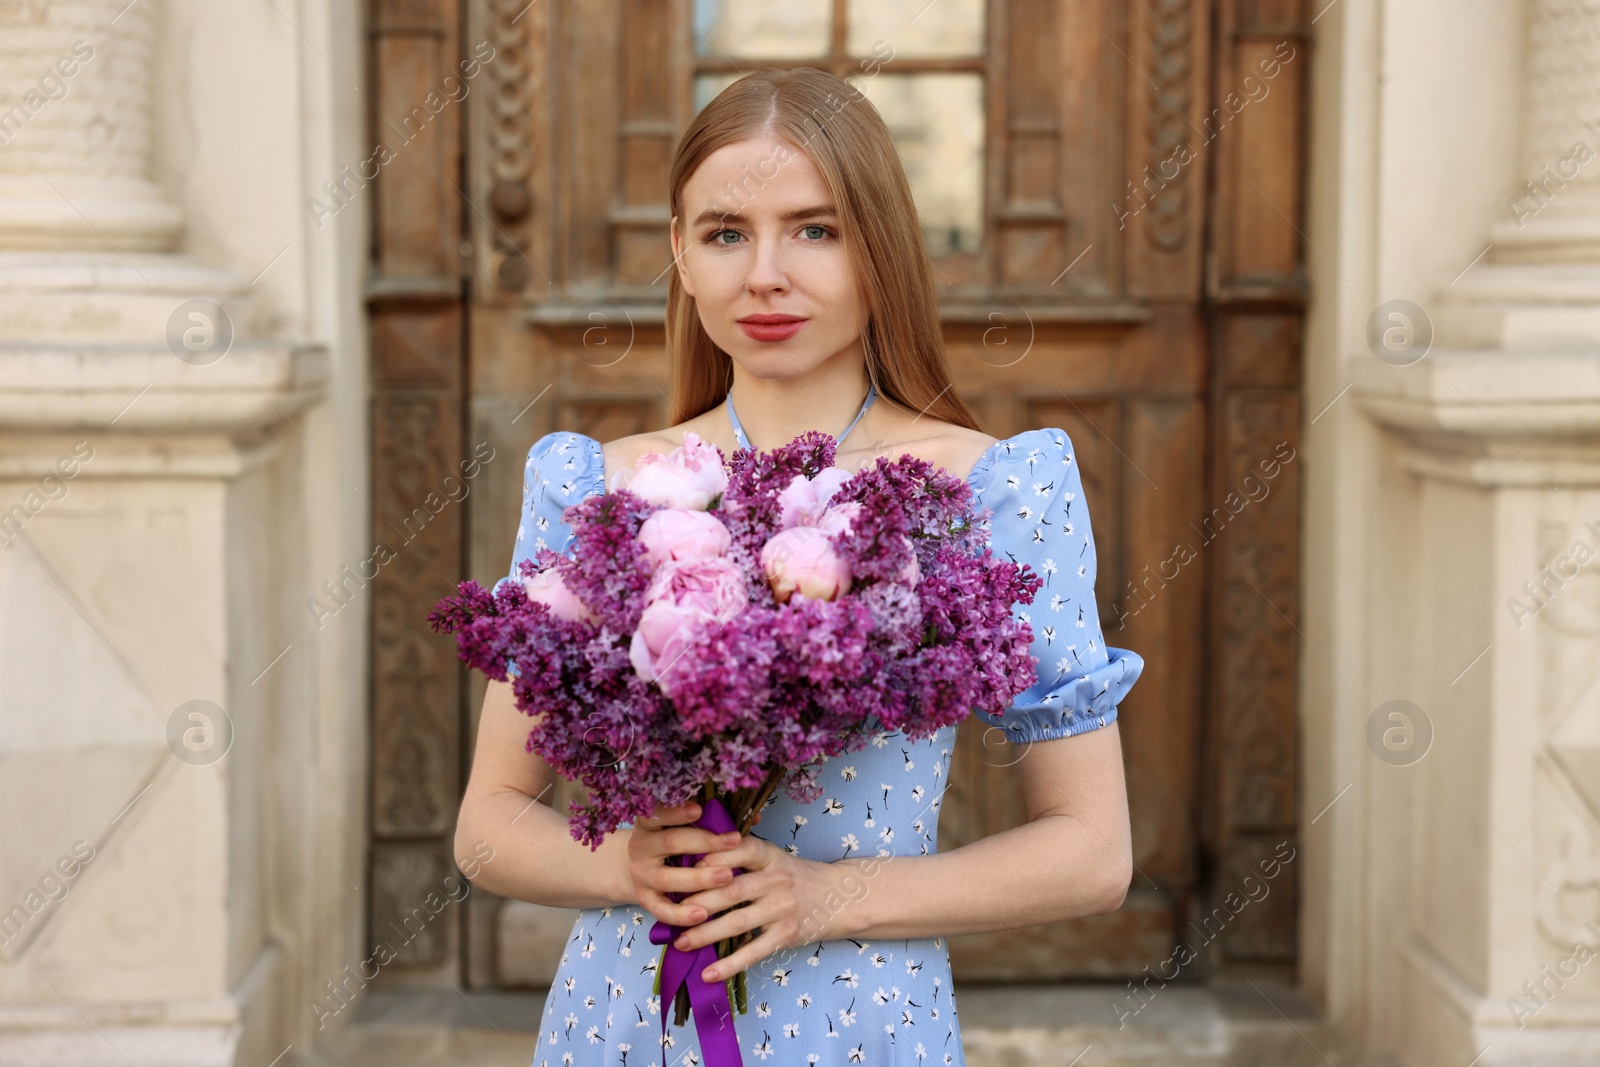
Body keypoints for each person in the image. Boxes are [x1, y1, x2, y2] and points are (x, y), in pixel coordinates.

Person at [455, 66, 1145, 1066]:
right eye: (725, 232)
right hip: (621, 1024)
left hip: (867, 1027)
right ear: (681, 258)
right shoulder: (597, 488)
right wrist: (629, 867)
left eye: (815, 229)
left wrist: (827, 894)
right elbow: (487, 826)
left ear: (882, 251)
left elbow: (1091, 851)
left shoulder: (988, 488)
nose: (764, 273)